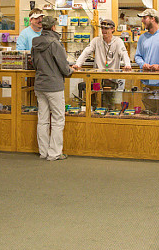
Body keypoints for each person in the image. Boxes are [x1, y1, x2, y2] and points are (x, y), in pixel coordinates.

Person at [31, 16, 75, 161]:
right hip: (54, 86)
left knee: (42, 119)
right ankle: (54, 153)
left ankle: (43, 152)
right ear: (54, 27)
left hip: (39, 85)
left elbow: (34, 63)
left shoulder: (35, 43)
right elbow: (63, 66)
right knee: (57, 119)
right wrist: (70, 71)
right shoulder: (55, 43)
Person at [72, 19, 132, 110]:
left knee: (109, 101)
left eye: (106, 28)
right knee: (95, 101)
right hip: (97, 76)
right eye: (102, 28)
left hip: (112, 77)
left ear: (112, 29)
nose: (104, 31)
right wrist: (78, 64)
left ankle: (109, 117)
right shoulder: (96, 40)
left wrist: (128, 65)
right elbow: (86, 52)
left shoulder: (118, 41)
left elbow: (124, 53)